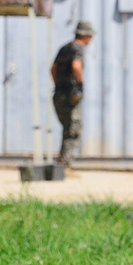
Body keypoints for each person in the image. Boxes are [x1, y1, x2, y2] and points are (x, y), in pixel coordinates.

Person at [51, 21, 94, 166]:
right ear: (85, 35)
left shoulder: (64, 48)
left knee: (67, 127)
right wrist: (80, 84)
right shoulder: (78, 49)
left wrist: (58, 84)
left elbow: (53, 69)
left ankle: (62, 161)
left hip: (59, 94)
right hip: (71, 95)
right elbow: (76, 66)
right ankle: (64, 164)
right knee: (73, 129)